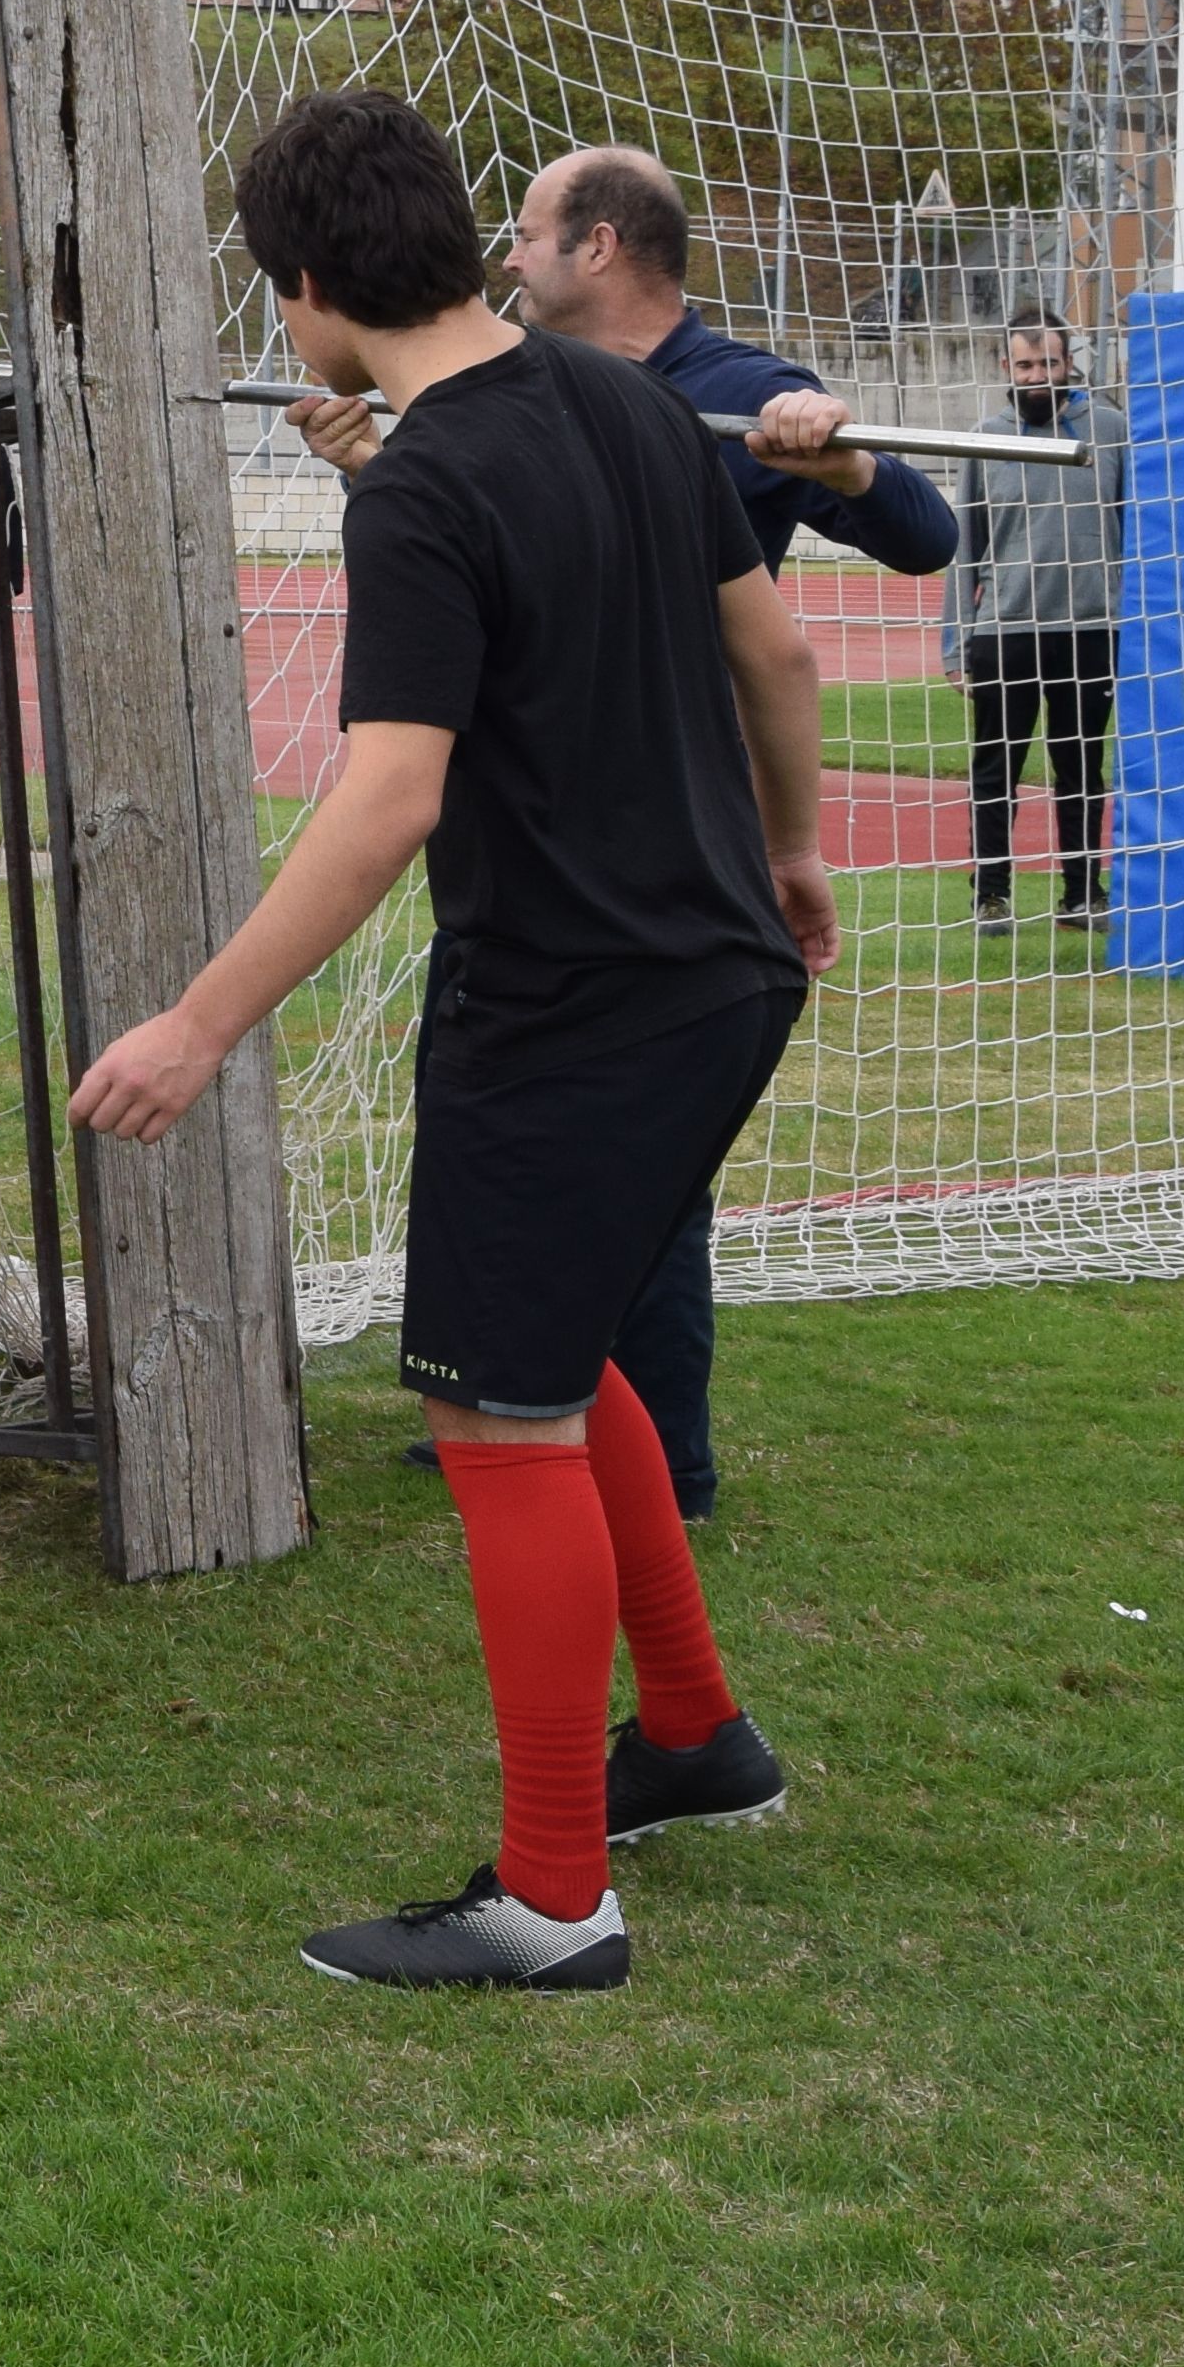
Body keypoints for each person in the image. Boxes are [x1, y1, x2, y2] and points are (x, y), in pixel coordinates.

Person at [69, 88, 827, 1991]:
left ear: (308, 291)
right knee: (561, 1355)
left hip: (577, 1004)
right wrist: (800, 857)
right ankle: (698, 1742)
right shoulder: (633, 409)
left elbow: (391, 796)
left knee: (499, 1409)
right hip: (719, 971)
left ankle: (555, 1899)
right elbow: (780, 658)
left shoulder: (425, 481)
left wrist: (197, 1023)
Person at [289, 140, 940, 1524]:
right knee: (583, 1234)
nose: (506, 259)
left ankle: (643, 1462)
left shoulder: (718, 395)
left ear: (598, 248)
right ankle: (533, 1411)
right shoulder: (525, 405)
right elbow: (492, 602)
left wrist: (835, 457)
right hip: (573, 848)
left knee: (645, 1224)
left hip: (658, 858)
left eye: (527, 233)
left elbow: (913, 544)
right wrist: (372, 478)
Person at [946, 307, 1119, 931]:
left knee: (1081, 768)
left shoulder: (1111, 431)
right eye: (1025, 364)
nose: (1039, 375)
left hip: (1090, 631)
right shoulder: (984, 439)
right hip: (1004, 633)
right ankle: (990, 895)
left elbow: (1138, 536)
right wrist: (954, 645)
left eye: (1050, 362)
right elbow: (964, 550)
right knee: (996, 769)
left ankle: (1082, 894)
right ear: (1006, 368)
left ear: (1070, 363)